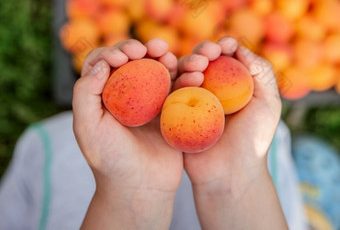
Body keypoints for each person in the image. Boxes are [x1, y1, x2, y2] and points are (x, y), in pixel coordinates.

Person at [0, 37, 307, 230]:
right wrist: (237, 180)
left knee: (53, 145)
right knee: (300, 158)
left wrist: (132, 194)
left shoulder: (48, 144)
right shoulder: (247, 142)